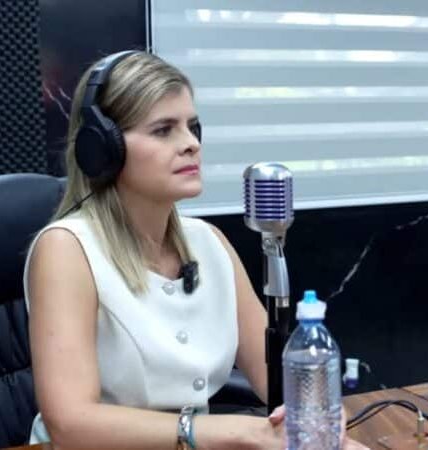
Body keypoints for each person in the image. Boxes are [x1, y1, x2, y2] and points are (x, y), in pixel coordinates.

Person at [26, 50, 366, 449]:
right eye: (163, 130)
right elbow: (71, 423)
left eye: (192, 127)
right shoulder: (67, 249)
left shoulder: (208, 243)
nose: (190, 144)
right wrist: (240, 432)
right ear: (102, 148)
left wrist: (314, 410)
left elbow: (278, 377)